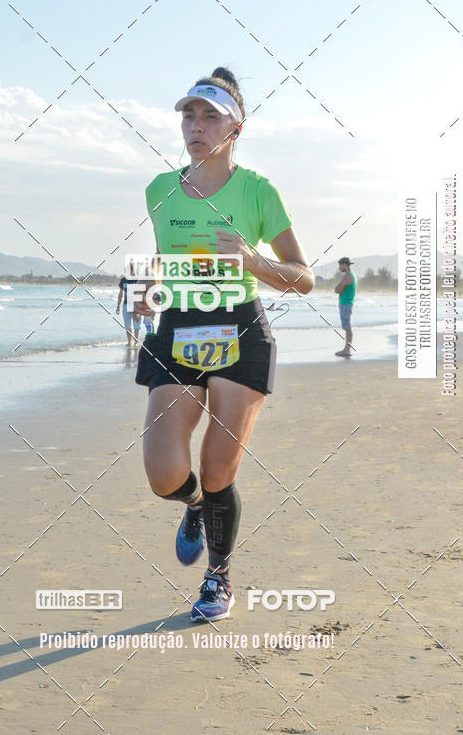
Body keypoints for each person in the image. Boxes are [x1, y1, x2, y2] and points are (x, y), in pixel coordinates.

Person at [133, 67, 314, 623]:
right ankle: (192, 506)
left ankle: (218, 578)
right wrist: (147, 292)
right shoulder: (160, 190)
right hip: (178, 327)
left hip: (239, 328)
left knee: (218, 469)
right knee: (164, 473)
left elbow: (303, 277)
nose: (196, 126)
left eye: (211, 117)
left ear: (235, 128)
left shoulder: (258, 191)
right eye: (189, 115)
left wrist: (252, 261)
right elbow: (164, 261)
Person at [334, 257, 357, 357]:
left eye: (340, 265)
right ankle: (346, 349)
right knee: (347, 327)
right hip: (347, 303)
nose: (339, 268)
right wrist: (340, 289)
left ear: (344, 265)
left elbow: (337, 289)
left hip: (346, 303)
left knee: (347, 327)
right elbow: (339, 289)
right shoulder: (351, 275)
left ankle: (347, 350)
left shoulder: (348, 276)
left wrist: (340, 289)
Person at [116, 263, 139, 346]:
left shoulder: (137, 280)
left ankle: (136, 342)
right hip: (126, 305)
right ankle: (129, 342)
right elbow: (120, 294)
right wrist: (118, 306)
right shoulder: (123, 280)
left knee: (136, 324)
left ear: (133, 270)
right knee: (127, 325)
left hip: (136, 305)